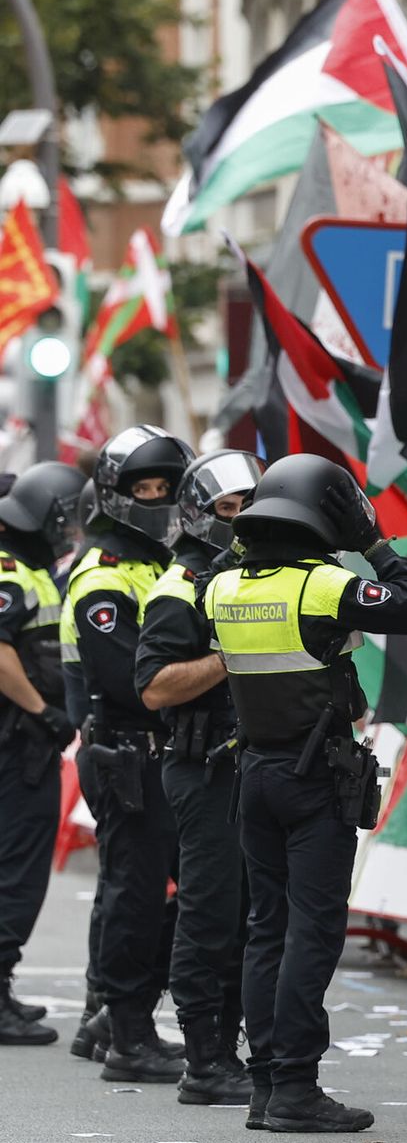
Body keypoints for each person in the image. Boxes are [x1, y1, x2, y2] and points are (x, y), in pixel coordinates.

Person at [204, 455, 407, 1133]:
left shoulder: (221, 590)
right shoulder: (323, 584)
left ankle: (266, 1083)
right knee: (312, 931)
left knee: (267, 929)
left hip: (255, 773)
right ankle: (296, 1089)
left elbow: (224, 575)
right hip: (313, 779)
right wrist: (373, 543)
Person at [62, 425, 193, 1081]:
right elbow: (129, 683)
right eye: (144, 488)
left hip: (159, 755)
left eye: (167, 486)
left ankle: (115, 1019)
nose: (157, 498)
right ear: (116, 494)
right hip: (127, 754)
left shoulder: (157, 565)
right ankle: (127, 1034)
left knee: (177, 894)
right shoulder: (103, 577)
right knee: (134, 896)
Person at [135, 450, 263, 1105]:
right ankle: (203, 1060)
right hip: (201, 766)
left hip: (252, 769)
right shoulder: (180, 586)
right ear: (198, 514)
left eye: (251, 505)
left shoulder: (255, 578)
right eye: (228, 508)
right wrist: (230, 654)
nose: (241, 519)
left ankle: (230, 1049)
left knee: (246, 918)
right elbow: (155, 686)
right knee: (209, 914)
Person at [0, 461, 85, 1044]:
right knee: (17, 873)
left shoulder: (29, 569)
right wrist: (43, 711)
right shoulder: (14, 574)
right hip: (18, 745)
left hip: (21, 742)